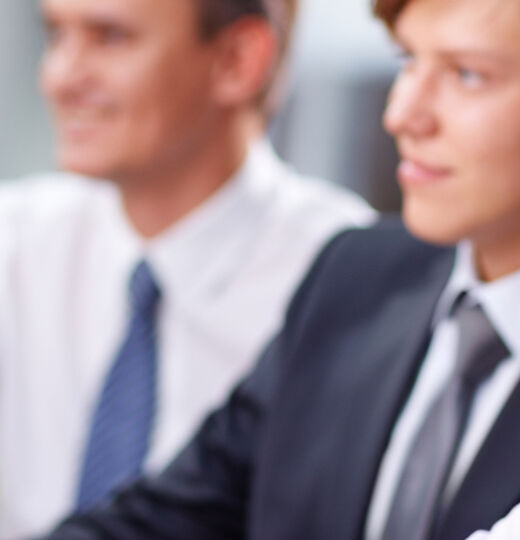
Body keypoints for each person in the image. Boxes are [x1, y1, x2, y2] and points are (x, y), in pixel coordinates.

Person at [40, 0, 520, 537]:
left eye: (468, 75)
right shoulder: (358, 277)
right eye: (407, 61)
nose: (402, 114)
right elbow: (176, 514)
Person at [0, 0, 376, 537]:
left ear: (238, 60)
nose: (59, 78)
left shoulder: (355, 288)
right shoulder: (15, 242)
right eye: (55, 36)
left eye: (110, 38)